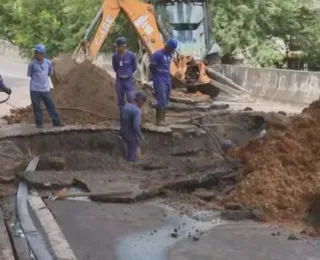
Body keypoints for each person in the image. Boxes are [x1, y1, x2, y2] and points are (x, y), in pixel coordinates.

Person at [27, 44, 63, 128]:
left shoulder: (48, 63)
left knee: (50, 105)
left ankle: (56, 122)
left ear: (42, 54)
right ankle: (39, 123)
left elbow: (49, 73)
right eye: (35, 52)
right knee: (36, 107)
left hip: (45, 89)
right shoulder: (31, 64)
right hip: (34, 89)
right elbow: (30, 74)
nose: (35, 54)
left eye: (37, 52)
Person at [149, 38, 178, 126]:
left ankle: (163, 119)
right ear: (167, 46)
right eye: (171, 49)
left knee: (166, 99)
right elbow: (152, 68)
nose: (172, 51)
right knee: (160, 99)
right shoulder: (157, 55)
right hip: (159, 79)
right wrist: (157, 75)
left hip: (167, 79)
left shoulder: (169, 55)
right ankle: (159, 120)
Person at [112, 37, 137, 121]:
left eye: (119, 47)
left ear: (123, 46)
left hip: (128, 80)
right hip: (119, 80)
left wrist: (129, 73)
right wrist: (120, 73)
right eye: (117, 47)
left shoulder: (131, 55)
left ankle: (132, 117)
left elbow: (134, 67)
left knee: (131, 98)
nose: (118, 49)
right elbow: (115, 67)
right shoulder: (115, 56)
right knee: (120, 99)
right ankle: (122, 118)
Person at [120, 91, 147, 162]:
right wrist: (141, 135)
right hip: (130, 136)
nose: (143, 104)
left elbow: (121, 119)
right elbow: (136, 126)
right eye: (143, 101)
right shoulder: (137, 111)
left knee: (129, 147)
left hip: (122, 132)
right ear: (140, 100)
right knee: (131, 155)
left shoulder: (126, 106)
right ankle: (130, 165)